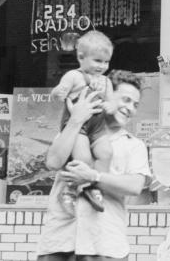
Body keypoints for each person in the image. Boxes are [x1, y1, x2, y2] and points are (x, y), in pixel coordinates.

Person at [37, 70, 151, 261]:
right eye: (125, 100)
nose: (130, 108)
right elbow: (53, 162)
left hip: (105, 246)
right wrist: (76, 119)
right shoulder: (74, 133)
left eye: (135, 104)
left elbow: (135, 186)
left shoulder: (134, 145)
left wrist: (94, 177)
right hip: (60, 242)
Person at [51, 30, 115, 213]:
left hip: (97, 126)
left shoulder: (106, 82)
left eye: (106, 62)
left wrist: (110, 107)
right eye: (97, 61)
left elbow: (110, 102)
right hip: (77, 126)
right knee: (84, 157)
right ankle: (69, 190)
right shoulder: (74, 76)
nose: (102, 66)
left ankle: (93, 185)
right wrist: (59, 92)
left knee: (106, 152)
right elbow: (58, 92)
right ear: (81, 57)